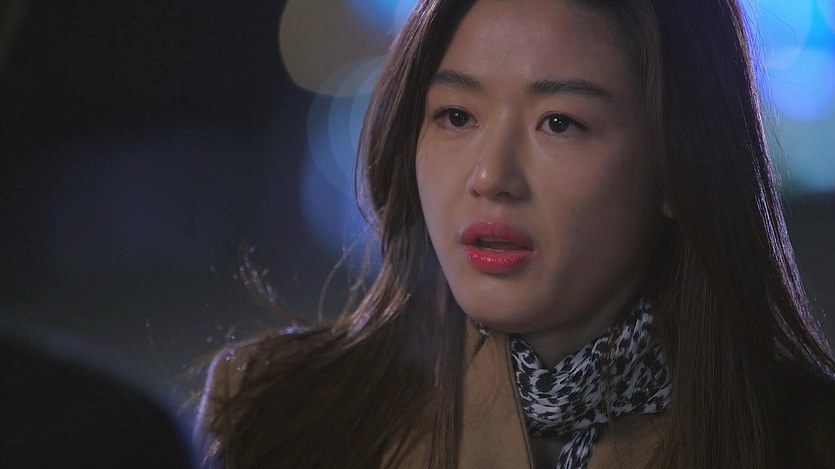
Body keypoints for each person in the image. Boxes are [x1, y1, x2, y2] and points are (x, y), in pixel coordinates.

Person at [196, 0, 835, 467]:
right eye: (456, 116)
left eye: (559, 123)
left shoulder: (803, 440)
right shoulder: (275, 416)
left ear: (675, 166)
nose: (490, 176)